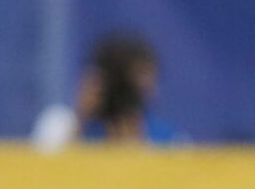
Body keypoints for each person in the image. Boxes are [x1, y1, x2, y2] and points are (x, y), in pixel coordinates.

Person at [35, 32, 184, 148]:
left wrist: (137, 146)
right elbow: (41, 175)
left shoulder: (168, 140)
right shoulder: (57, 123)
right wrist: (80, 122)